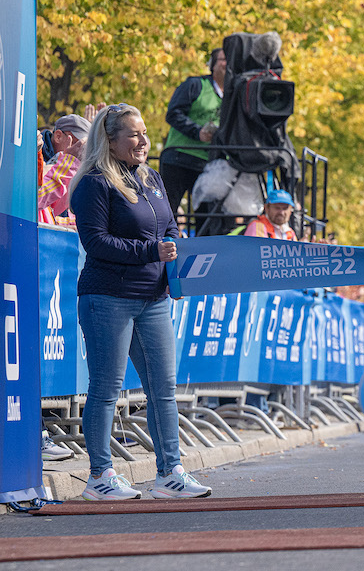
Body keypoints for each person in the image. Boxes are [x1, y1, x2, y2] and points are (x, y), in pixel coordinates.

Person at [69, 103, 211, 500]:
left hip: (154, 298)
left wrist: (174, 247)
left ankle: (170, 473)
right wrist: (153, 251)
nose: (144, 140)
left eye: (145, 132)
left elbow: (169, 226)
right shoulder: (94, 183)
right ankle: (100, 476)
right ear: (110, 141)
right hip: (107, 297)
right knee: (106, 389)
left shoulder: (152, 178)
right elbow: (95, 242)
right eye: (133, 134)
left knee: (163, 388)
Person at [159, 47, 226, 217]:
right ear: (212, 65)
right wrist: (198, 132)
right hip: (178, 158)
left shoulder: (234, 97)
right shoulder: (195, 85)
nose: (229, 64)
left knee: (207, 217)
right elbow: (173, 114)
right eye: (224, 59)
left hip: (208, 164)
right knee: (167, 213)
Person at [37, 113, 91, 226]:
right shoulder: (37, 159)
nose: (82, 152)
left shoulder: (72, 166)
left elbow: (55, 208)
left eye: (87, 147)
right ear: (58, 136)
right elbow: (35, 200)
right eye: (78, 143)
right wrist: (69, 163)